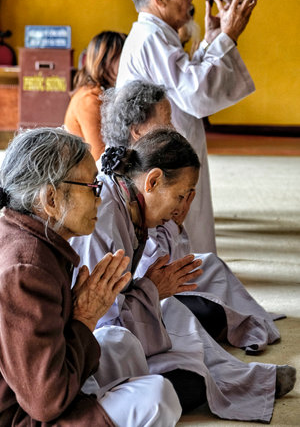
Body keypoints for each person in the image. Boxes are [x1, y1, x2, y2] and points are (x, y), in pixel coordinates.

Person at [71, 129, 296, 422]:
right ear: (152, 180)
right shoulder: (104, 217)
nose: (181, 206)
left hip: (133, 318)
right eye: (179, 195)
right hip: (91, 343)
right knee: (183, 378)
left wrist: (152, 286)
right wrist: (151, 289)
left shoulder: (130, 202)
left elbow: (155, 271)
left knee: (181, 317)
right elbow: (103, 321)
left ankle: (246, 378)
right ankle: (231, 382)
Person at [0, 127, 182, 426]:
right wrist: (84, 318)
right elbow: (45, 403)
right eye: (91, 187)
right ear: (51, 199)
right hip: (21, 416)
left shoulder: (33, 239)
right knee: (156, 398)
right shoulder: (26, 269)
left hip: (44, 389)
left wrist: (83, 315)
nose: (100, 199)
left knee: (121, 342)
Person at [101, 80, 282, 353]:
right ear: (137, 132)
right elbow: (120, 301)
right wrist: (151, 288)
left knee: (209, 267)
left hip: (145, 293)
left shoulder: (138, 183)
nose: (174, 129)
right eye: (165, 124)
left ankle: (251, 326)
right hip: (127, 310)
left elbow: (174, 259)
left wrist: (175, 222)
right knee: (186, 319)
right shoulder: (113, 198)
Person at [117, 0, 258, 254]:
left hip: (170, 149)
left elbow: (183, 78)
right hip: (161, 156)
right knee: (179, 232)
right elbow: (194, 92)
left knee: (189, 224)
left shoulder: (156, 35)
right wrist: (228, 37)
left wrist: (210, 42)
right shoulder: (150, 38)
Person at [64, 31, 126, 160]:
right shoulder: (89, 99)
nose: (129, 62)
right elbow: (99, 156)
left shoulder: (104, 93)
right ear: (105, 61)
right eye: (124, 56)